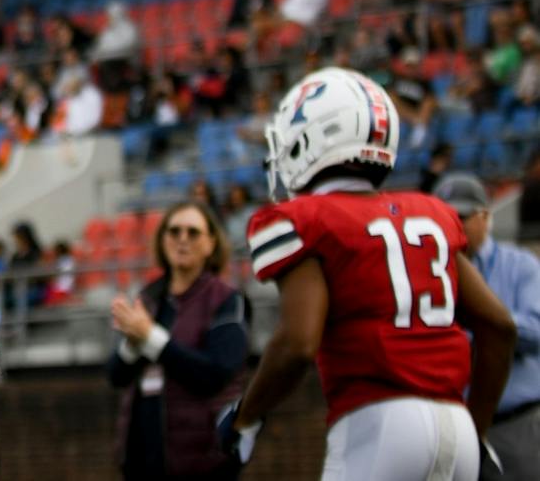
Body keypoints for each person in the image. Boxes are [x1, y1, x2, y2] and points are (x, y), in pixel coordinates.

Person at [221, 68, 516, 478]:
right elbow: (499, 326)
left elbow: (299, 343)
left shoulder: (306, 217)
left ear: (313, 138)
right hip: (457, 426)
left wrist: (246, 416)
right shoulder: (428, 213)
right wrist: (476, 428)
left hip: (378, 425)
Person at [108, 201, 248, 481]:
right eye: (174, 231)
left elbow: (215, 374)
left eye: (193, 232)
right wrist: (132, 344)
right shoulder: (149, 298)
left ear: (211, 244)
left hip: (202, 461)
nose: (182, 239)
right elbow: (115, 375)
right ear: (162, 240)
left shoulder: (227, 300)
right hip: (143, 460)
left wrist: (151, 337)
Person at [434, 174, 540, 479]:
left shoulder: (520, 264)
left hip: (519, 423)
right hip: (460, 429)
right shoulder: (433, 270)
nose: (454, 224)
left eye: (462, 216)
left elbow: (535, 330)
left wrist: (484, 330)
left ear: (485, 216)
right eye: (446, 217)